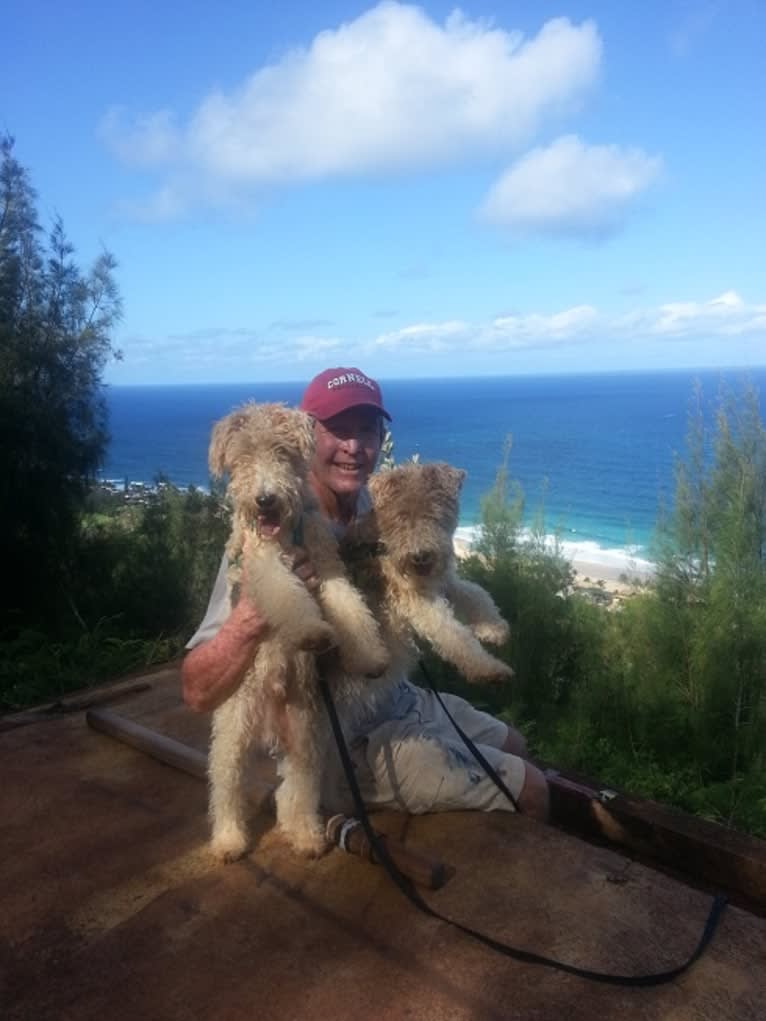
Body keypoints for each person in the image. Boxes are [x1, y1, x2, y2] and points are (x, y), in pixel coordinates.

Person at [182, 367, 549, 821]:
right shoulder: (269, 535)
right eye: (338, 430)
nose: (354, 446)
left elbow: (426, 589)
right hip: (338, 733)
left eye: (367, 431)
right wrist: (252, 617)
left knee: (517, 744)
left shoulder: (379, 511)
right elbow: (197, 689)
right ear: (307, 438)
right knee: (531, 791)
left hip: (394, 696)